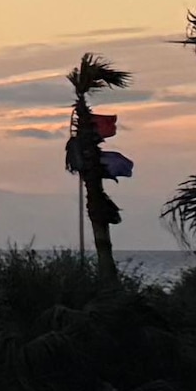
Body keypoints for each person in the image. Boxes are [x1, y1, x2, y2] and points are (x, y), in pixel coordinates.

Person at [62, 51, 135, 280]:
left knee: (100, 220)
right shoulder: (82, 144)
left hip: (92, 167)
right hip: (89, 159)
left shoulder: (86, 142)